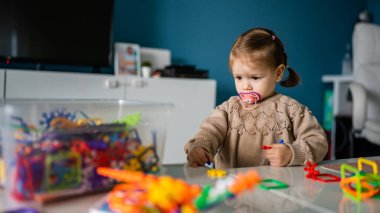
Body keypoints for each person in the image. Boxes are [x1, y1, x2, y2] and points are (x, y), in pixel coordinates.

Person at [184, 27, 328, 169]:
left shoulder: (291, 110)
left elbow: (318, 142)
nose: (245, 86)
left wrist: (292, 153)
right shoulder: (228, 109)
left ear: (278, 73)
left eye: (255, 77)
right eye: (238, 77)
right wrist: (200, 147)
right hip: (232, 187)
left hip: (277, 188)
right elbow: (210, 131)